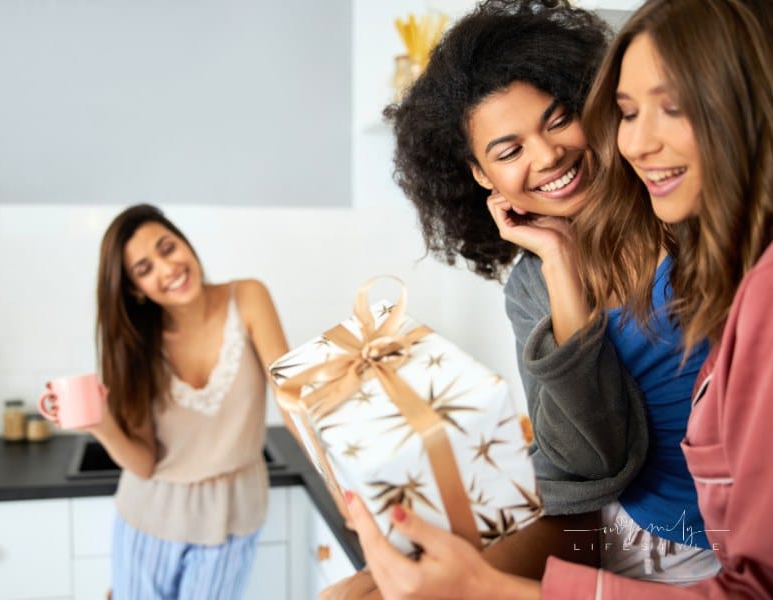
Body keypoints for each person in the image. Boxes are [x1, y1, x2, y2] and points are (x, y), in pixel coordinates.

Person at [344, 0, 773, 596]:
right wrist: (561, 267)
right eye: (509, 151)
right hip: (621, 533)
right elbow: (587, 464)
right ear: (480, 175)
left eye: (558, 119)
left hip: (720, 549)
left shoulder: (687, 212)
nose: (547, 156)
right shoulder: (531, 283)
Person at [83, 204, 289, 599]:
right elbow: (143, 463)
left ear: (184, 242)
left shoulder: (248, 297)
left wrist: (340, 488)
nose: (167, 268)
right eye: (144, 269)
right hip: (149, 519)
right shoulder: (134, 346)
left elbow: (293, 400)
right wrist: (98, 423)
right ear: (133, 290)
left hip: (235, 515)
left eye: (167, 247)